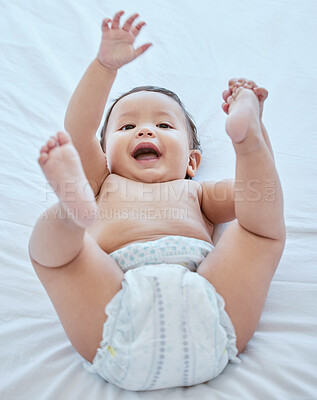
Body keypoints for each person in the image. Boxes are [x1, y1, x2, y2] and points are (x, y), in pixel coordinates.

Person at [28, 10, 286, 391]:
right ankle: (71, 210)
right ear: (103, 155)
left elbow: (256, 195)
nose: (146, 128)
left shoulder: (197, 192)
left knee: (259, 225)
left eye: (164, 125)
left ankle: (249, 141)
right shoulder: (104, 182)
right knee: (57, 251)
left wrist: (253, 145)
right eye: (127, 126)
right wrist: (104, 67)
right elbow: (79, 129)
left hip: (208, 294)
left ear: (192, 161)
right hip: (112, 292)